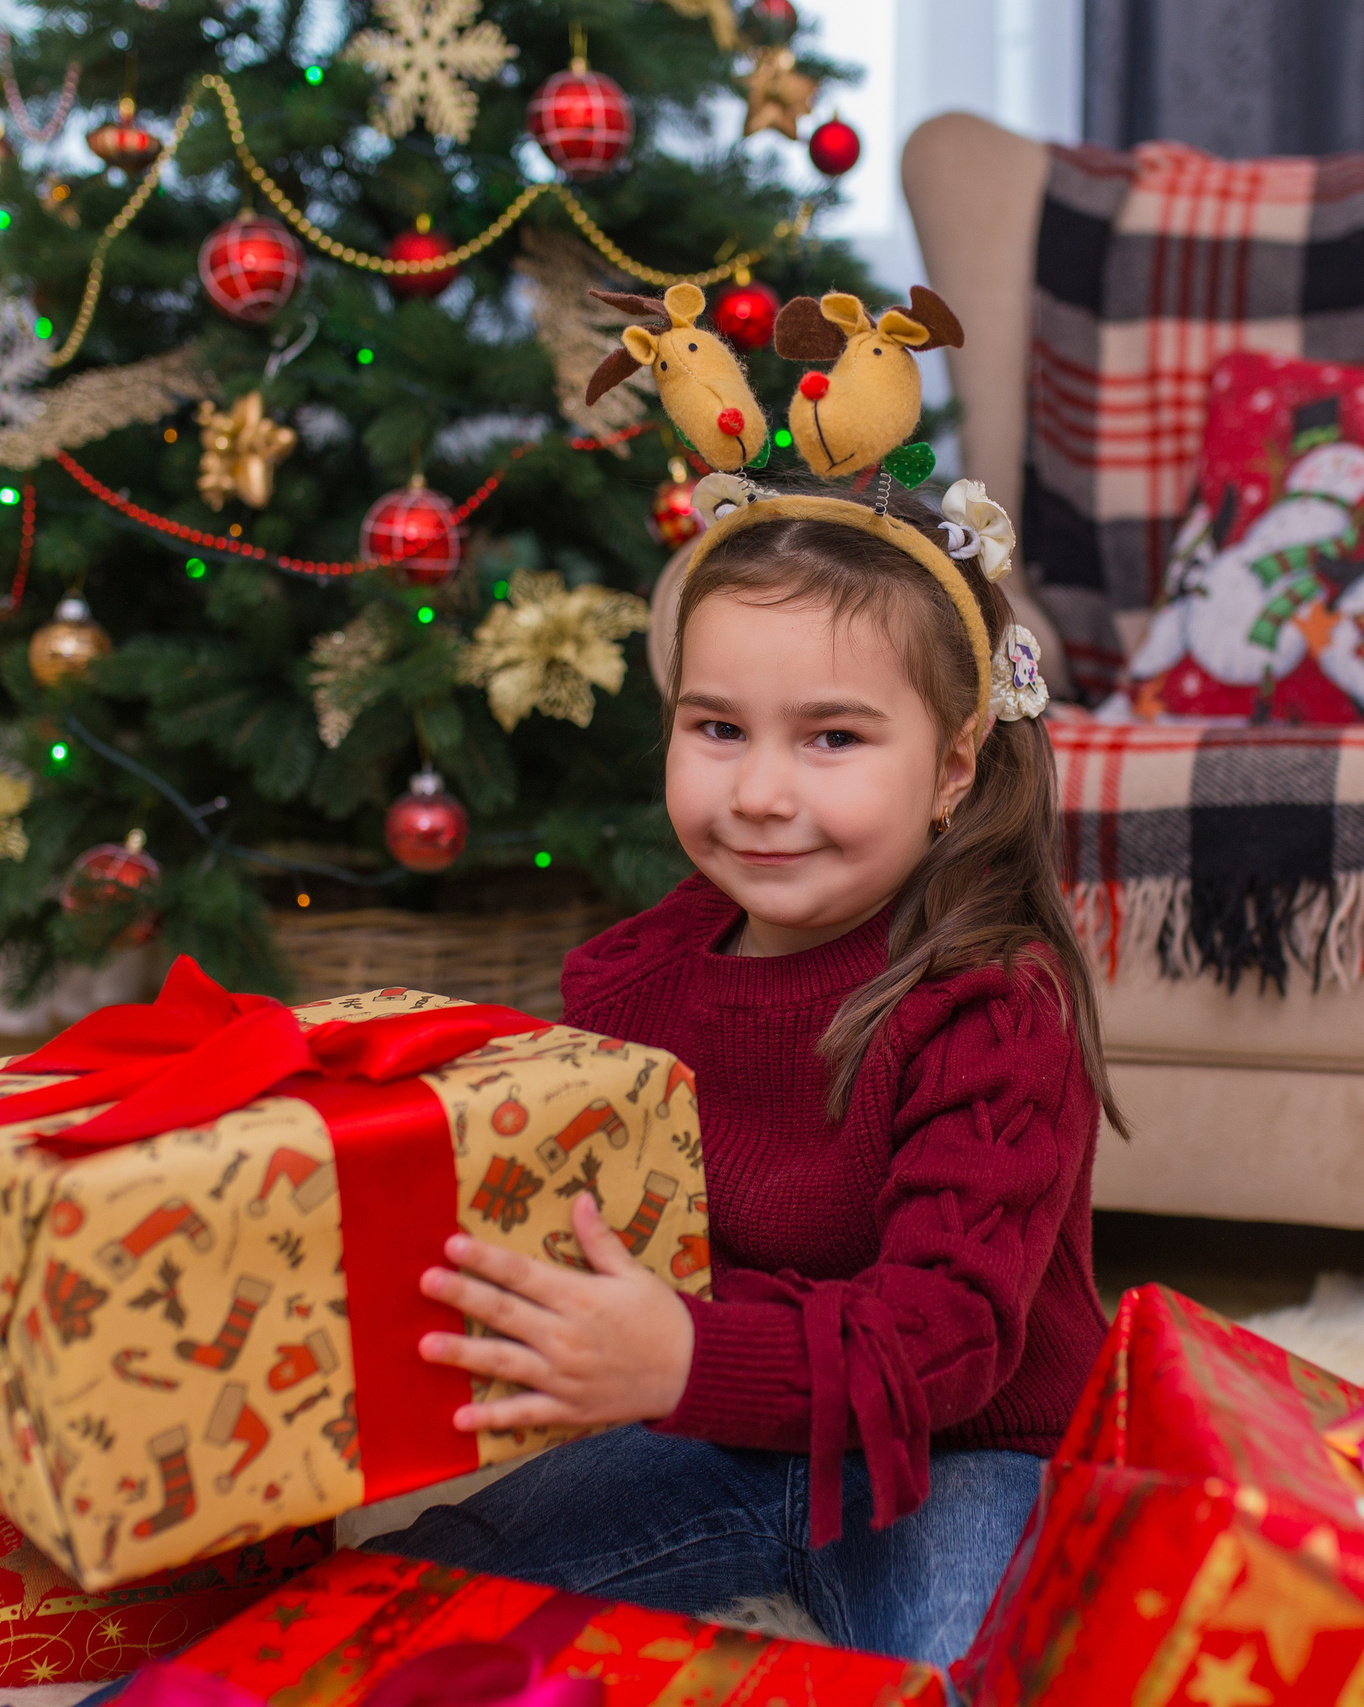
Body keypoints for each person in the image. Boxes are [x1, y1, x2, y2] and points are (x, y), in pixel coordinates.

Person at [370, 455, 1125, 1669]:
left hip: (960, 1450)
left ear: (952, 765)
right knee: (416, 1588)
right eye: (718, 729)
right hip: (719, 1420)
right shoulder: (633, 976)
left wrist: (679, 1350)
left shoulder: (991, 1008)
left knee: (972, 1663)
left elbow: (941, 1342)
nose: (760, 793)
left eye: (832, 737)